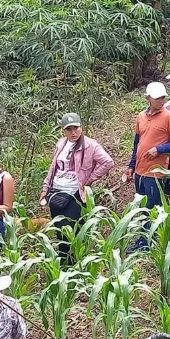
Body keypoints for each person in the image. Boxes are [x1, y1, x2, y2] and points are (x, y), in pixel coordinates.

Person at [39, 113, 115, 264]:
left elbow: (108, 162)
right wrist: (45, 188)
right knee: (60, 230)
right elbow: (53, 168)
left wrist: (89, 180)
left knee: (72, 232)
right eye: (69, 129)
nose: (73, 132)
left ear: (81, 127)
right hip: (56, 192)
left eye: (76, 128)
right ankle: (63, 263)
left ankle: (74, 264)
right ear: (63, 130)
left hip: (75, 194)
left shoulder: (90, 145)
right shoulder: (61, 144)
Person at [124, 81, 170, 252]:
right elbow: (137, 143)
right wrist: (131, 165)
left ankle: (146, 241)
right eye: (157, 98)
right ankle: (144, 237)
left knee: (151, 207)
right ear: (148, 98)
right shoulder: (141, 117)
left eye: (163, 97)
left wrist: (159, 149)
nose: (161, 101)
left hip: (155, 172)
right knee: (143, 205)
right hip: (140, 170)